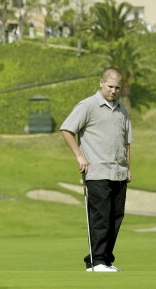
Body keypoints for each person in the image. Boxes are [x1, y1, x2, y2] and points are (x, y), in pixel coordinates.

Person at [60, 67, 132, 273]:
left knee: (116, 217)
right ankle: (96, 261)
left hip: (119, 172)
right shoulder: (88, 105)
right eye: (110, 86)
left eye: (117, 87)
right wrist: (79, 155)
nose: (113, 91)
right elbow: (67, 129)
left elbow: (127, 141)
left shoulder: (121, 108)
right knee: (100, 217)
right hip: (97, 171)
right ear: (101, 82)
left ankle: (106, 260)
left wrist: (128, 168)